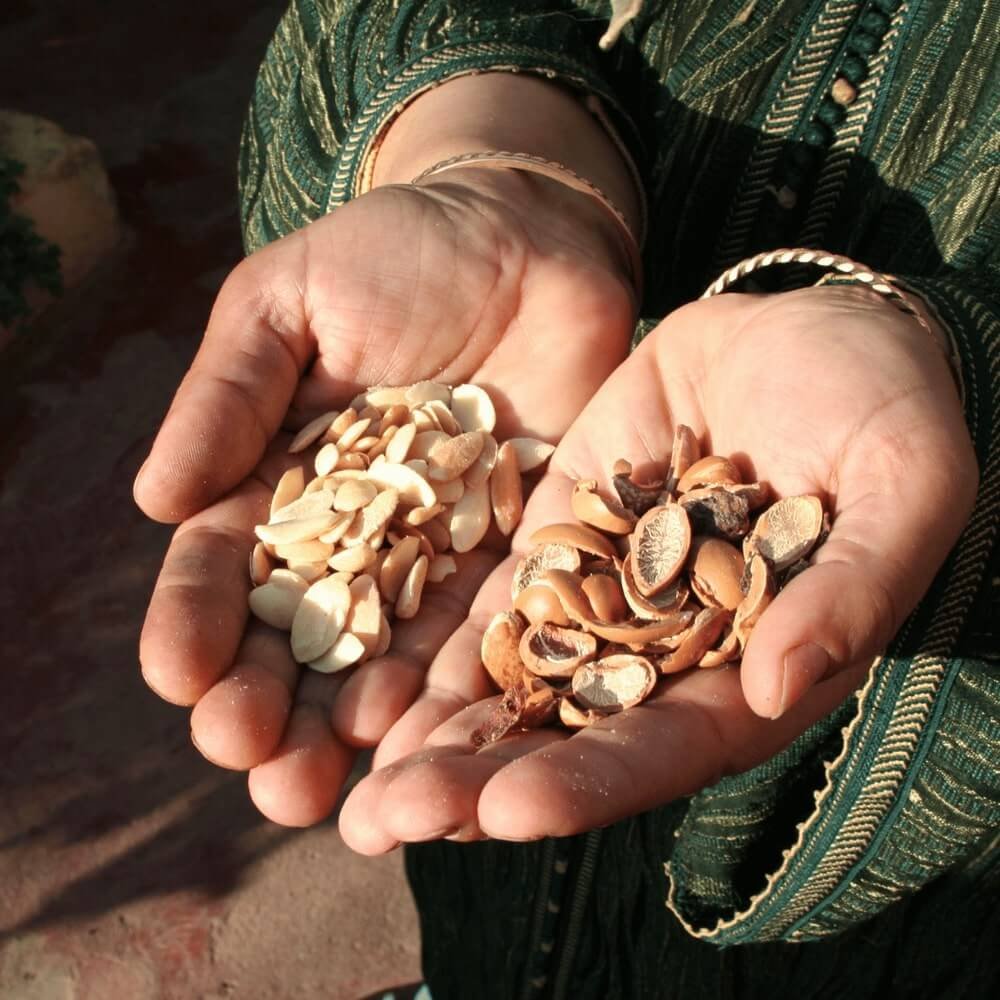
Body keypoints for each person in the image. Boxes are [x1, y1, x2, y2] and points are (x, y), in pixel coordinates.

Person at [134, 1, 1000, 995]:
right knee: (486, 865)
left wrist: (957, 360)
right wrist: (488, 148)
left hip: (902, 873)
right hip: (495, 885)